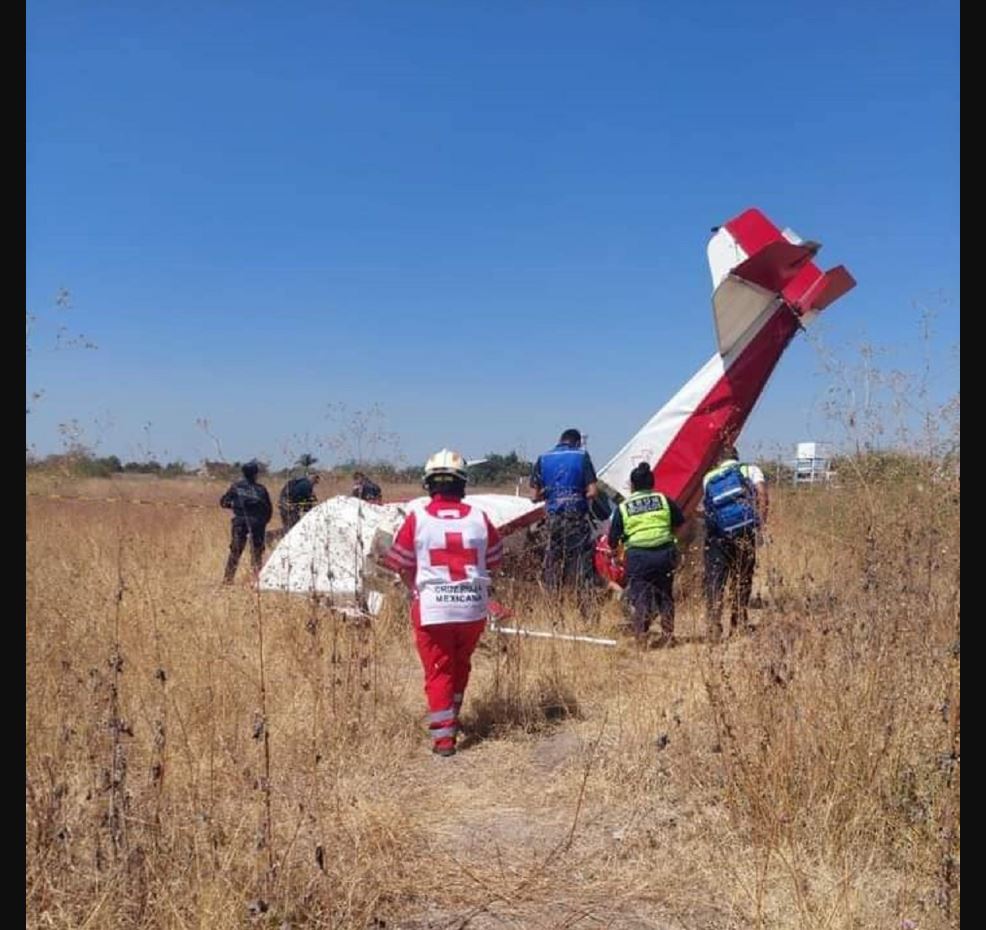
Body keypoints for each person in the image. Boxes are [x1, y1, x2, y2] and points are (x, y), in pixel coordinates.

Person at [380, 449, 502, 757]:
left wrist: (415, 589)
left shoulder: (417, 518)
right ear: (462, 484)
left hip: (433, 609)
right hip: (473, 608)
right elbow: (494, 561)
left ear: (429, 484)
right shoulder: (480, 518)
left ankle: (444, 740)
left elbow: (401, 563)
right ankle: (453, 716)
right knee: (461, 664)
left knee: (439, 670)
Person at [608, 462, 686, 647]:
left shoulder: (624, 507)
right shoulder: (664, 500)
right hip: (664, 553)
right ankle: (668, 636)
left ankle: (641, 637)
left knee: (640, 595)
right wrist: (673, 542)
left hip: (638, 557)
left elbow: (613, 538)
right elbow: (681, 524)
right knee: (665, 595)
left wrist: (614, 553)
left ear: (633, 485)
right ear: (652, 483)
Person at [701, 445, 768, 640]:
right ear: (737, 457)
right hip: (745, 531)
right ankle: (738, 622)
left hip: (718, 536)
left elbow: (709, 507)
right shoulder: (750, 469)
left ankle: (713, 624)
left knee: (715, 580)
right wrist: (761, 525)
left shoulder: (709, 477)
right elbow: (762, 495)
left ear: (720, 460)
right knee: (743, 577)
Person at [530, 428, 599, 600]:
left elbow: (534, 496)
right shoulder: (582, 456)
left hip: (554, 520)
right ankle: (586, 612)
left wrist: (551, 494)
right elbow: (593, 492)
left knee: (552, 566)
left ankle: (552, 608)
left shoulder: (543, 458)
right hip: (576, 519)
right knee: (582, 567)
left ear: (560, 440)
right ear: (577, 442)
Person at [220, 460, 273, 585]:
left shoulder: (236, 487)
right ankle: (256, 580)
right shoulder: (261, 489)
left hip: (240, 522)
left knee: (236, 551)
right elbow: (268, 509)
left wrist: (233, 505)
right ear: (256, 474)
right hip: (257, 523)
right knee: (257, 552)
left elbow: (223, 502)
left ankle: (228, 580)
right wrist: (264, 522)